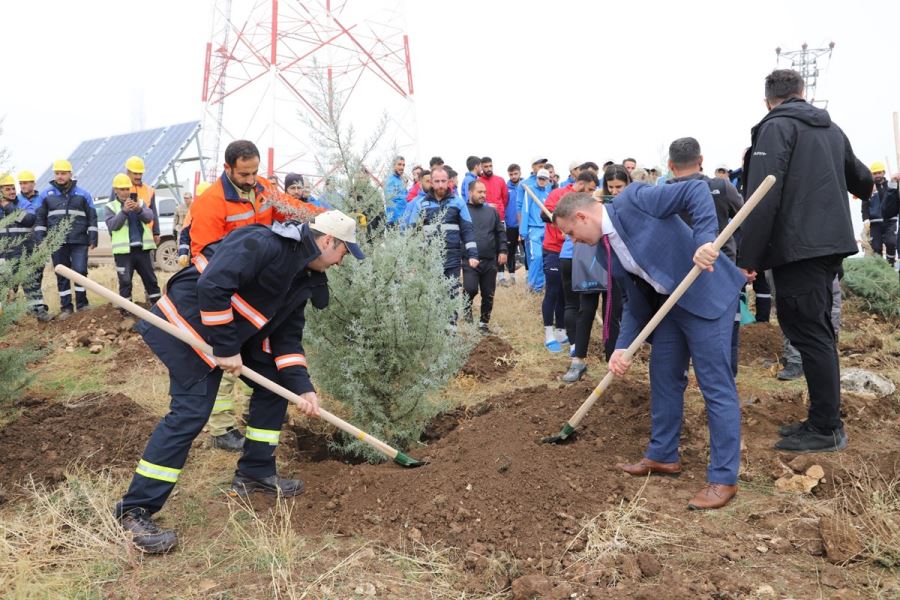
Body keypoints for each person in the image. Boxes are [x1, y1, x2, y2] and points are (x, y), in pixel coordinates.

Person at [115, 210, 364, 554]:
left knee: (275, 380)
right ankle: (135, 510)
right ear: (327, 241)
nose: (342, 261)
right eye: (343, 253)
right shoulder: (263, 243)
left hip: (228, 335)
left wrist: (302, 387)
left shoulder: (304, 275)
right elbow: (213, 285)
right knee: (190, 414)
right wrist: (227, 347)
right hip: (187, 327)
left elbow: (287, 340)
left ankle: (256, 472)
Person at [555, 181, 746, 510]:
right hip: (672, 305)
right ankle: (663, 455)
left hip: (707, 295)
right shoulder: (604, 248)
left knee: (715, 384)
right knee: (663, 374)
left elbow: (696, 192)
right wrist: (622, 345)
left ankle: (723, 478)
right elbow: (635, 300)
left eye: (571, 233)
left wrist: (703, 241)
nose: (573, 242)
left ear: (582, 217)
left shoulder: (635, 200)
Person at [738, 69, 873, 453]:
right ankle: (821, 420)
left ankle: (827, 428)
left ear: (768, 100)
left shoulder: (774, 128)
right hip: (827, 247)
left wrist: (749, 258)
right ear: (802, 93)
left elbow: (762, 196)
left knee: (810, 334)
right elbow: (862, 179)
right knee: (816, 332)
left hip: (798, 248)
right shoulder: (831, 129)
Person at [186, 141, 307, 451]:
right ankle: (221, 427)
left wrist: (325, 219)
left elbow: (294, 211)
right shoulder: (210, 203)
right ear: (228, 168)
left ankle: (259, 410)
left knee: (262, 354)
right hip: (228, 292)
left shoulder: (263, 189)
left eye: (255, 172)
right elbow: (203, 258)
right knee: (227, 360)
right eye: (244, 174)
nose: (251, 179)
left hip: (259, 292)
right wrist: (225, 295)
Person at [666, 137, 745, 377]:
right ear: (701, 160)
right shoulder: (721, 187)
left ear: (670, 164)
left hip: (677, 272)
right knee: (726, 325)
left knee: (678, 325)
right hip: (721, 267)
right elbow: (744, 219)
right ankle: (726, 376)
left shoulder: (663, 192)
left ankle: (681, 372)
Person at [404, 166, 478, 317]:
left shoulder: (458, 203)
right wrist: (412, 259)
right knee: (432, 297)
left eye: (443, 181)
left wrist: (473, 254)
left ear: (449, 182)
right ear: (431, 182)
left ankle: (450, 332)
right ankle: (435, 334)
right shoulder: (421, 205)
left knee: (451, 295)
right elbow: (412, 233)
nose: (440, 185)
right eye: (436, 181)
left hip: (452, 259)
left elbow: (468, 230)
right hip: (429, 259)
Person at [550, 171, 600, 380]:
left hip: (593, 258)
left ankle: (583, 352)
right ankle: (577, 357)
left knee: (605, 309)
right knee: (582, 307)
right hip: (578, 259)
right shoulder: (578, 203)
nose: (570, 237)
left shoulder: (591, 203)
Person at [34, 160, 98, 319]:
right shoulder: (46, 195)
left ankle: (82, 305)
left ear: (70, 174)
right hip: (57, 242)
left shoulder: (83, 194)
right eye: (57, 173)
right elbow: (40, 219)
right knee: (62, 275)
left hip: (79, 241)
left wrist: (93, 238)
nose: (60, 176)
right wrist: (40, 239)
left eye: (63, 173)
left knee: (80, 271)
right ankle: (66, 307)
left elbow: (92, 218)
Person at [105, 174, 162, 307]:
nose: (125, 192)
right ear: (115, 190)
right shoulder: (111, 206)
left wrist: (138, 209)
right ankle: (126, 311)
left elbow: (149, 217)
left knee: (151, 281)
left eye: (127, 189)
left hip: (143, 251)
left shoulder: (140, 202)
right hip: (123, 253)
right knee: (125, 283)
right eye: (122, 189)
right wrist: (124, 211)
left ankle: (157, 308)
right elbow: (113, 225)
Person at [2, 172, 50, 321]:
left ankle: (40, 312)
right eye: (7, 189)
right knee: (6, 287)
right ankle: (9, 319)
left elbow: (29, 219)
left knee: (31, 283)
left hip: (25, 252)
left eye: (12, 188)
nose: (12, 192)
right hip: (4, 256)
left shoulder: (22, 203)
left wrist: (9, 207)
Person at [462, 180, 507, 331]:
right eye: (479, 192)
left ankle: (484, 324)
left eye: (484, 192)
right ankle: (467, 316)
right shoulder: (462, 211)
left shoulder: (491, 211)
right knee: (470, 289)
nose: (483, 195)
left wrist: (503, 251)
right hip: (470, 259)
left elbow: (500, 232)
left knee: (489, 293)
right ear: (470, 193)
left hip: (489, 260)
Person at [520, 167, 552, 293]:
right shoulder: (530, 190)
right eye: (540, 178)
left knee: (544, 259)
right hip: (533, 229)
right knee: (536, 257)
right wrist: (523, 230)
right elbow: (525, 210)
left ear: (548, 180)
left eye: (544, 179)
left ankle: (539, 288)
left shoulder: (548, 194)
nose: (542, 181)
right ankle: (531, 286)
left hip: (546, 229)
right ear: (536, 178)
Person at [863, 161, 899, 266]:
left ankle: (890, 264)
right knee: (876, 247)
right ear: (871, 175)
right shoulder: (868, 187)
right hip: (875, 223)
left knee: (891, 243)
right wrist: (865, 219)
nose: (877, 175)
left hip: (890, 221)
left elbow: (896, 199)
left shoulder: (891, 185)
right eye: (875, 173)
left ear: (883, 173)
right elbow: (864, 205)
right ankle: (879, 268)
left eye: (879, 172)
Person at [125, 156, 161, 247]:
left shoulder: (149, 190)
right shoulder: (119, 189)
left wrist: (156, 232)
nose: (138, 176)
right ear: (128, 172)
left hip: (146, 239)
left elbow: (154, 213)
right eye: (135, 173)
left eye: (140, 174)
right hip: (127, 239)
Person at [498, 163, 521, 286]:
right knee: (509, 251)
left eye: (515, 173)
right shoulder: (506, 188)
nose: (513, 176)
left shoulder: (524, 186)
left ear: (520, 173)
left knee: (526, 252)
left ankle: (528, 276)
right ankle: (511, 276)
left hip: (523, 225)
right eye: (511, 174)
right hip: (510, 225)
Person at [383, 156, 408, 226]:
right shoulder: (390, 181)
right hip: (395, 221)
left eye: (403, 165)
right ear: (393, 166)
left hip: (403, 219)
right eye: (399, 164)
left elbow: (405, 199)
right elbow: (391, 202)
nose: (402, 167)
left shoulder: (401, 180)